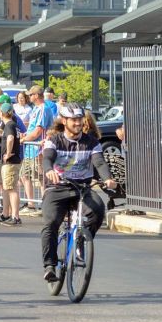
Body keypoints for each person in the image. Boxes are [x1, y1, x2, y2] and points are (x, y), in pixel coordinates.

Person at [40, 103, 118, 284]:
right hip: (58, 188)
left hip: (82, 188)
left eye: (79, 119)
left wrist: (108, 178)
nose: (77, 123)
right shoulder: (55, 140)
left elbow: (99, 162)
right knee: (50, 223)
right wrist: (49, 170)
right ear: (64, 121)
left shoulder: (91, 142)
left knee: (97, 210)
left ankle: (82, 241)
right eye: (73, 120)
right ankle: (50, 265)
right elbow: (48, 158)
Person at [0, 106, 22, 226]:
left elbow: (10, 138)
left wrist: (9, 153)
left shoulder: (9, 125)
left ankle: (15, 216)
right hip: (11, 161)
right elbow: (8, 139)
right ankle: (6, 214)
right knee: (7, 188)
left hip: (11, 161)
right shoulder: (13, 125)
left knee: (11, 188)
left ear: (2, 113)